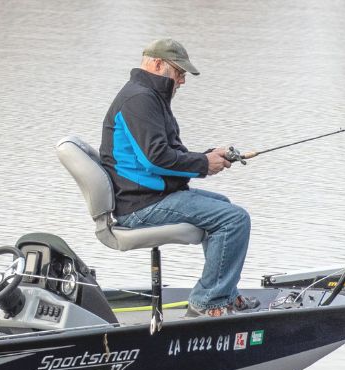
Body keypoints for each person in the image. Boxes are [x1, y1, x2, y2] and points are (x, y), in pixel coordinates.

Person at [99, 38, 258, 317]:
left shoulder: (149, 96)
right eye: (179, 72)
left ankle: (224, 293)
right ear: (158, 64)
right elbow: (155, 158)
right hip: (140, 204)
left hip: (148, 194)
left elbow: (165, 153)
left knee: (224, 206)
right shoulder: (140, 99)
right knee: (234, 219)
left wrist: (210, 156)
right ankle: (207, 302)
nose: (182, 81)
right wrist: (203, 164)